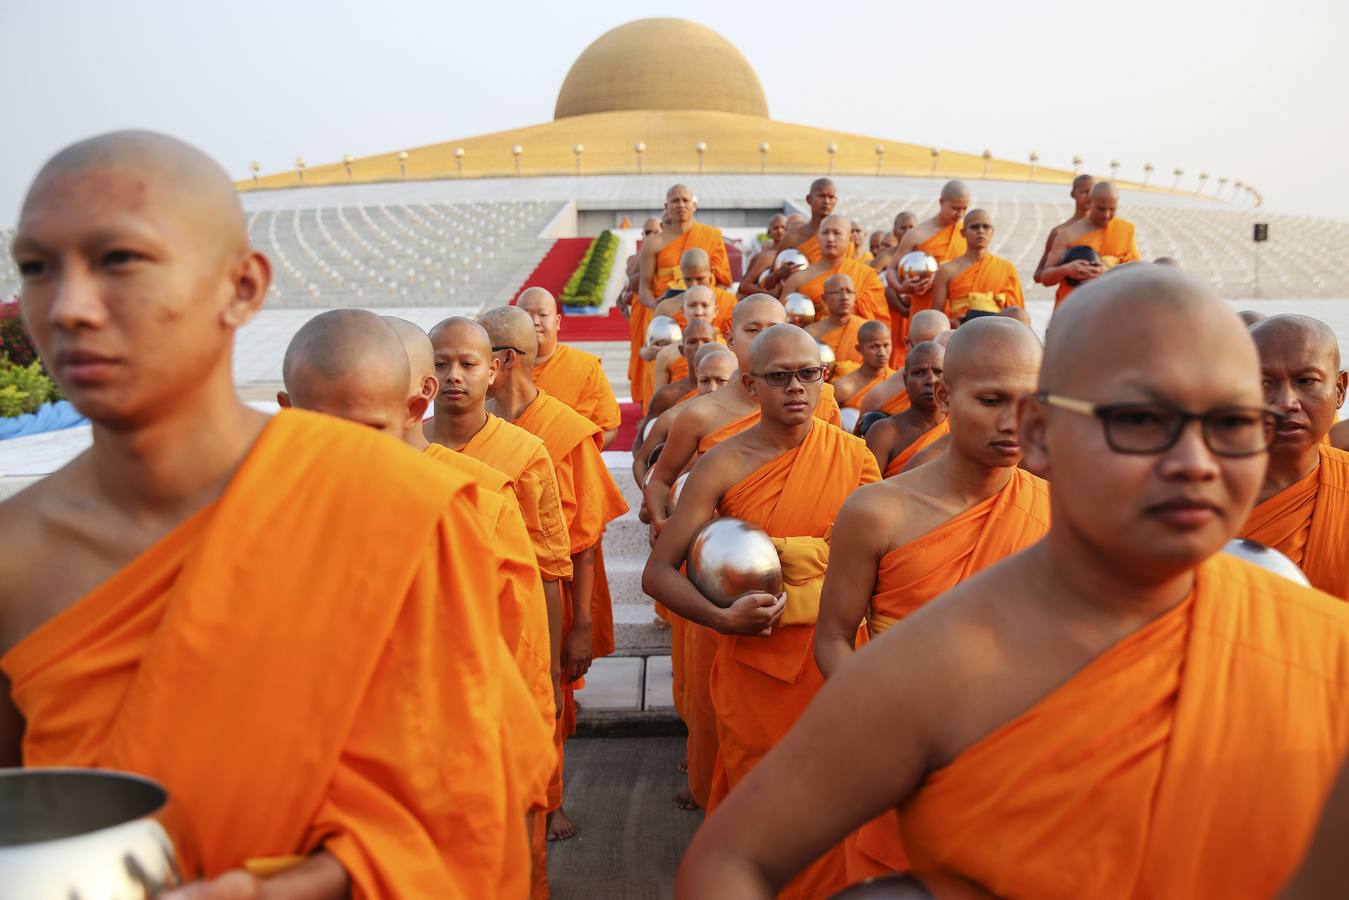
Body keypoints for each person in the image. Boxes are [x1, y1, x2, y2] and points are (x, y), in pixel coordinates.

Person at [676, 265, 1349, 899]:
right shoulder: (938, 663)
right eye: (1139, 420)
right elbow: (732, 859)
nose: (1194, 461)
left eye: (1230, 422)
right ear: (1042, 430)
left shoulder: (1324, 653)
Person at [0, 131, 540, 897]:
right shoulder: (14, 559)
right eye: (36, 267)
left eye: (120, 259)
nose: (71, 308)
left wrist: (278, 889)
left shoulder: (391, 506)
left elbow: (467, 814)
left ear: (243, 287)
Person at [282, 311, 559, 897]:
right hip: (311, 802)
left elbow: (523, 659)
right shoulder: (263, 517)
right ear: (287, 410)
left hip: (451, 786)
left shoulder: (477, 507)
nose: (349, 448)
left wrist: (524, 780)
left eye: (368, 425)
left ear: (411, 406)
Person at [646, 325, 880, 899]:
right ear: (751, 384)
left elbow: (885, 565)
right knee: (765, 826)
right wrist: (722, 620)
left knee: (841, 818)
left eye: (809, 374)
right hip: (757, 670)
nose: (797, 388)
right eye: (779, 377)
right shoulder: (721, 466)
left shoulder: (852, 455)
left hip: (841, 665)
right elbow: (657, 574)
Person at [815, 318, 1047, 880]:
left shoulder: (1057, 510)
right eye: (991, 400)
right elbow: (834, 638)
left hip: (1024, 766)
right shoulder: (877, 512)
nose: (1014, 421)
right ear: (944, 395)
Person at [480, 306, 628, 843]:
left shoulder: (564, 431)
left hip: (553, 588)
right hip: (490, 586)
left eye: (473, 360)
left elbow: (585, 542)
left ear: (503, 362)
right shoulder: (477, 424)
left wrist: (581, 625)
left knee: (550, 698)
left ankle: (551, 799)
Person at [644, 295, 842, 532]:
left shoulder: (819, 400)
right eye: (752, 330)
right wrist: (660, 521)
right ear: (730, 340)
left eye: (774, 329)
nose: (765, 339)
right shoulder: (700, 414)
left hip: (814, 549)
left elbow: (836, 470)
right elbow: (660, 480)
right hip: (730, 551)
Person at [1239, 314, 1349, 598]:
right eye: (1265, 384)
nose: (1286, 403)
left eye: (1306, 381)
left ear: (1339, 389)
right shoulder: (1189, 490)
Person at [632, 185, 732, 407]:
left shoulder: (711, 236)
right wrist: (659, 310)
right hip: (668, 317)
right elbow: (645, 287)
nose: (681, 205)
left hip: (706, 310)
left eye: (685, 200)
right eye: (675, 201)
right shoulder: (654, 243)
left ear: (694, 205)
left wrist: (709, 306)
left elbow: (724, 279)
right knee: (662, 363)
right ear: (666, 206)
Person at [519, 287, 621, 449]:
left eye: (543, 315)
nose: (535, 321)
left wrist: (570, 457)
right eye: (527, 315)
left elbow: (608, 429)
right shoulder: (501, 369)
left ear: (557, 321)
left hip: (568, 466)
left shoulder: (584, 367)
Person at [633, 344, 738, 488]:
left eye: (721, 381)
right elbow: (641, 462)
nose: (712, 389)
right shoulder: (674, 417)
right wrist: (650, 495)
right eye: (705, 381)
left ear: (736, 378)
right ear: (697, 375)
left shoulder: (752, 415)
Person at [886, 182, 969, 357]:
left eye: (964, 209)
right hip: (925, 307)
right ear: (941, 202)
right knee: (923, 357)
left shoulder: (965, 233)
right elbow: (891, 270)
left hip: (956, 310)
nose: (959, 214)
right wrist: (903, 288)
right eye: (955, 208)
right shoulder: (918, 234)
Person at [1041, 181, 1141, 306]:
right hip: (1073, 308)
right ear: (1089, 203)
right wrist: (1066, 269)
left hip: (1111, 307)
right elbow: (1045, 278)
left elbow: (1138, 274)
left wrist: (1108, 270)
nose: (1106, 215)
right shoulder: (1067, 235)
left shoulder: (1125, 231)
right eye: (1101, 209)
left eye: (1112, 209)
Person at [782, 215, 888, 323]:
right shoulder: (797, 280)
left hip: (856, 338)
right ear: (818, 237)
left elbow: (879, 325)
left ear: (850, 238)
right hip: (812, 337)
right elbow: (783, 322)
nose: (830, 239)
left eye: (837, 233)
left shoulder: (866, 275)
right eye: (825, 233)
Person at [865, 342, 949, 477]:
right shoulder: (884, 432)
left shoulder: (961, 429)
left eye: (938, 372)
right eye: (919, 372)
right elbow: (868, 492)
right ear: (905, 380)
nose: (931, 380)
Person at [930, 210, 1025, 326]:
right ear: (963, 233)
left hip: (997, 330)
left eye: (986, 227)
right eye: (974, 227)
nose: (981, 231)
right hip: (960, 331)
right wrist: (951, 323)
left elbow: (1017, 313)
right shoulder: (947, 270)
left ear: (992, 232)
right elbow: (936, 315)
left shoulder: (1007, 268)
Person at [859, 310, 952, 416]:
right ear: (908, 344)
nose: (930, 353)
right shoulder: (878, 397)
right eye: (922, 347)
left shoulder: (959, 388)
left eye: (938, 348)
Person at [1031, 174, 1094, 285]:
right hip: (1069, 298)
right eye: (1085, 191)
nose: (1089, 196)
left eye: (1093, 192)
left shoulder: (1109, 229)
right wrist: (1065, 268)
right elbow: (1038, 275)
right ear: (1073, 194)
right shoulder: (1060, 232)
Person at [804, 274, 866, 370]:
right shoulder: (810, 333)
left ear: (855, 297)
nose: (844, 297)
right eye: (837, 292)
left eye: (849, 292)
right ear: (824, 299)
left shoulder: (866, 329)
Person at [740, 213, 804, 300]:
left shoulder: (800, 255)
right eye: (776, 228)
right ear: (769, 232)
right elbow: (744, 287)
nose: (780, 231)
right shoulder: (768, 256)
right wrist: (770, 296)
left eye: (783, 228)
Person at [832, 321, 894, 411]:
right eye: (874, 347)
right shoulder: (844, 387)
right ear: (859, 349)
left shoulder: (898, 381)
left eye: (886, 345)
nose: (882, 353)